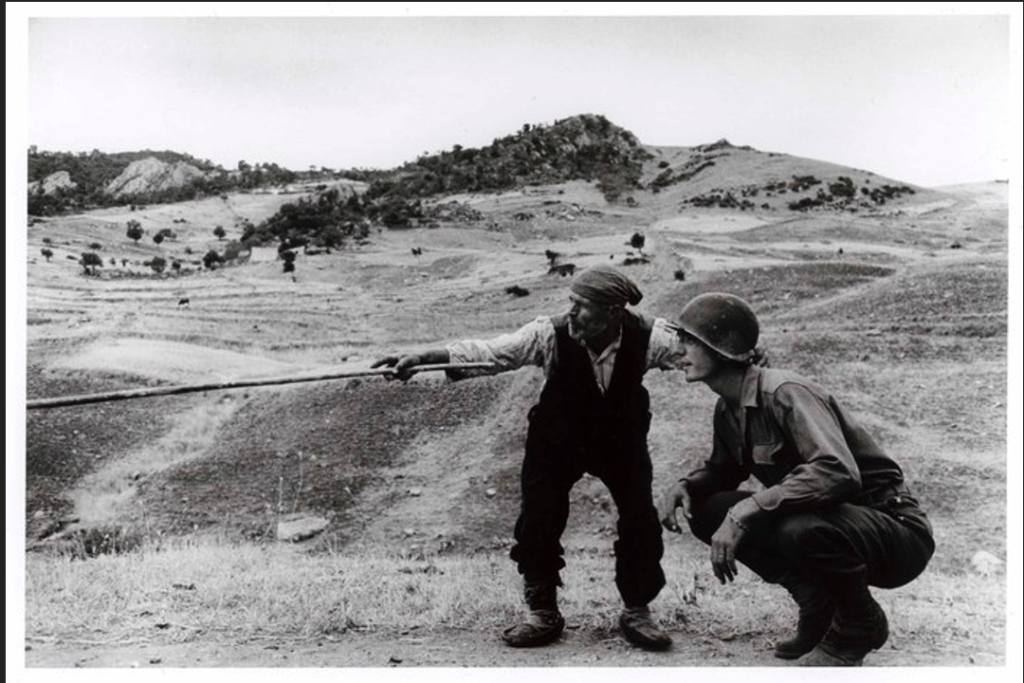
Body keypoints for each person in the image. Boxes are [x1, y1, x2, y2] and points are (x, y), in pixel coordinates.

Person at [373, 264, 682, 650]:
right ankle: (543, 611)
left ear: (613, 312)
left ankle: (637, 610)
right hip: (557, 439)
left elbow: (700, 351)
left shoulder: (650, 337)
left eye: (582, 305)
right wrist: (422, 358)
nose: (571, 312)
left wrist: (741, 358)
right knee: (539, 518)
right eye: (570, 302)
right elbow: (491, 353)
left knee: (640, 519)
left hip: (621, 441)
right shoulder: (548, 334)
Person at [658, 292, 935, 666]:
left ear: (723, 349)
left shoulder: (784, 393)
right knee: (707, 508)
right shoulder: (728, 408)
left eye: (689, 341)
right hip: (831, 524)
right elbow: (724, 471)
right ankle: (817, 603)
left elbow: (836, 471)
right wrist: (687, 486)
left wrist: (748, 509)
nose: (677, 350)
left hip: (895, 531)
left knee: (796, 528)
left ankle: (858, 626)